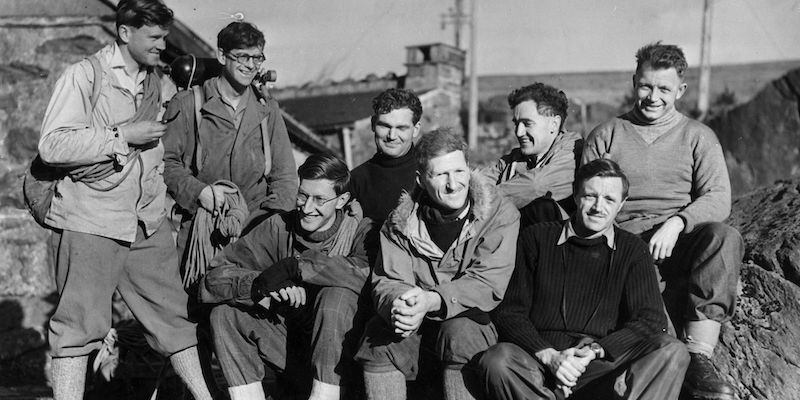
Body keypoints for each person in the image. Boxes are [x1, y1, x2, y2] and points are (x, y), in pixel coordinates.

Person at [37, 1, 212, 399]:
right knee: (77, 328)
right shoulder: (84, 76)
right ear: (124, 33)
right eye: (154, 37)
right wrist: (122, 135)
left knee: (175, 320)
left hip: (146, 221)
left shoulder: (159, 82)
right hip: (90, 218)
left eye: (164, 37)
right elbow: (52, 145)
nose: (161, 45)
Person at [582, 42, 744, 399]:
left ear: (680, 91)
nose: (653, 97)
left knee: (724, 237)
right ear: (634, 82)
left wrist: (678, 223)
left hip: (678, 239)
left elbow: (718, 197)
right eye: (645, 86)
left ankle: (698, 358)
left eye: (664, 89)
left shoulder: (698, 137)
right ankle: (672, 363)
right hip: (623, 243)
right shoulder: (606, 134)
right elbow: (586, 199)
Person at [479, 158, 689, 400]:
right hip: (540, 362)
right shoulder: (536, 238)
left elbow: (651, 319)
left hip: (600, 366)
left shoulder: (633, 249)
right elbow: (510, 312)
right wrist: (550, 357)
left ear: (621, 204)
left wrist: (595, 351)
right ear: (576, 196)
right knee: (497, 360)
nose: (599, 207)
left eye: (609, 199)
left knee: (672, 350)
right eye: (590, 196)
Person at [356, 129, 520, 400]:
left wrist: (431, 300)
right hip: (416, 326)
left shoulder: (498, 213)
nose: (453, 184)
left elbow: (488, 282)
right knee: (378, 338)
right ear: (421, 180)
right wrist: (399, 306)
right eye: (440, 174)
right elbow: (389, 280)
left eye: (458, 171)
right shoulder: (399, 223)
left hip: (470, 322)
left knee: (461, 333)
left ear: (469, 169)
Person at [199, 154, 379, 400]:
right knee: (225, 315)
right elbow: (214, 277)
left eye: (319, 199)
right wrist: (263, 285)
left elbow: (368, 275)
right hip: (292, 351)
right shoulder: (278, 227)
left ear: (342, 200)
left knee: (336, 295)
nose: (307, 208)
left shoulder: (362, 230)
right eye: (303, 195)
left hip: (344, 364)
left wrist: (298, 267)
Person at [163, 20, 298, 262]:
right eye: (242, 57)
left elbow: (285, 176)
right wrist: (198, 192)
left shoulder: (267, 109)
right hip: (202, 226)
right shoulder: (188, 104)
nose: (250, 65)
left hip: (256, 230)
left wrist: (272, 223)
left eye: (257, 58)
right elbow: (166, 163)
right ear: (222, 56)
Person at [480, 83, 582, 225]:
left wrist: (479, 200)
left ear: (554, 124)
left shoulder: (572, 152)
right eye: (516, 124)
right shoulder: (516, 158)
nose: (518, 132)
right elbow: (481, 181)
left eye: (527, 124)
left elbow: (535, 186)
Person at [349, 88, 423, 225]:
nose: (392, 136)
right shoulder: (356, 180)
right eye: (385, 126)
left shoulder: (430, 174)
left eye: (401, 128)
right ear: (373, 124)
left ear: (416, 129)